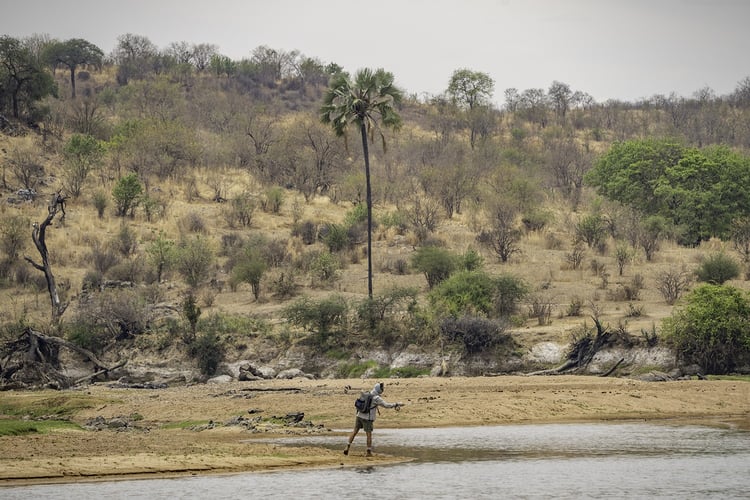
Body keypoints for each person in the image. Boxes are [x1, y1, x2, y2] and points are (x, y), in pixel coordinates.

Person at [344, 382, 402, 457]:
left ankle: (347, 447)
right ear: (379, 390)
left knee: (354, 432)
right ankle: (368, 452)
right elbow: (386, 405)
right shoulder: (376, 398)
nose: (383, 389)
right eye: (382, 388)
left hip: (359, 415)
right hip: (367, 418)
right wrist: (396, 404)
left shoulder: (367, 393)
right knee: (369, 435)